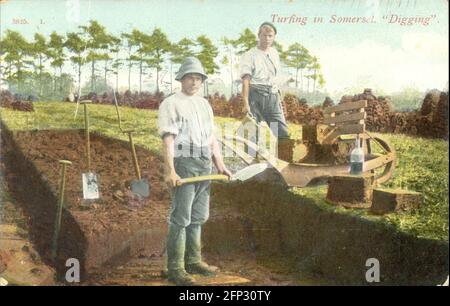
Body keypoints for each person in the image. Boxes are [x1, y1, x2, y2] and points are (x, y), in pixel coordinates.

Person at [158, 57, 232, 286]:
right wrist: (170, 170)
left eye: (198, 78)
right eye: (190, 77)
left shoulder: (204, 104)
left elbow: (211, 137)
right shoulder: (171, 103)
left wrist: (219, 163)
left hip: (203, 161)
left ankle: (193, 260)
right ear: (181, 78)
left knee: (199, 216)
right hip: (184, 160)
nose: (194, 81)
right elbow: (168, 138)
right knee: (181, 217)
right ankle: (175, 268)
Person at [240, 22, 293, 162]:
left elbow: (275, 78)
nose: (267, 39)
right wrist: (245, 103)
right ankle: (250, 167)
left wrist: (279, 100)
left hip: (272, 96)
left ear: (274, 37)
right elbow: (246, 80)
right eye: (264, 35)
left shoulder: (274, 53)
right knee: (251, 132)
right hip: (255, 95)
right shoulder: (250, 55)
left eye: (270, 36)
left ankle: (285, 166)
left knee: (283, 133)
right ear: (258, 36)